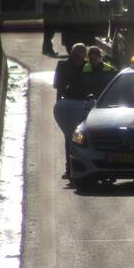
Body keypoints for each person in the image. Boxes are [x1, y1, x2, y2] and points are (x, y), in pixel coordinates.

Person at [53, 43, 89, 179]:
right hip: (69, 104)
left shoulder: (87, 66)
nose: (80, 57)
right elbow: (58, 87)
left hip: (85, 104)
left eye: (82, 54)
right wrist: (59, 106)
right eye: (78, 54)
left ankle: (77, 167)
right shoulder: (63, 66)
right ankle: (69, 169)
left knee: (80, 136)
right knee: (70, 137)